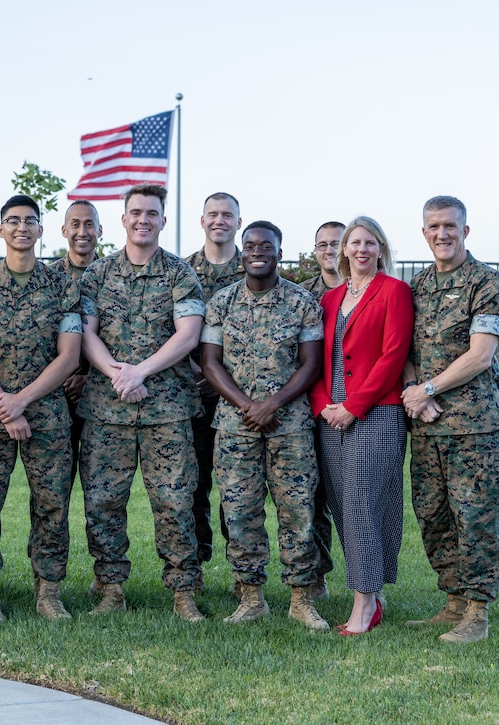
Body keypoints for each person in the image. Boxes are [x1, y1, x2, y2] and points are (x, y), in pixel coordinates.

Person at [78, 183, 206, 622]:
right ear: (124, 219)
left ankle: (183, 591)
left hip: (165, 408)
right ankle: (111, 588)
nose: (143, 220)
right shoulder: (99, 273)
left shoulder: (179, 273)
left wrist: (141, 371)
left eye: (152, 213)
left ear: (163, 221)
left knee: (174, 500)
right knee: (103, 501)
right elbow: (86, 332)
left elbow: (187, 334)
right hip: (106, 408)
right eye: (136, 212)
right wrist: (118, 373)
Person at [200, 221, 330, 631]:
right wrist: (247, 406)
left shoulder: (302, 302)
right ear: (242, 252)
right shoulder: (221, 302)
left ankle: (301, 599)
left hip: (289, 426)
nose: (258, 251)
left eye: (266, 246)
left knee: (298, 512)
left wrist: (272, 404)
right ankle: (251, 596)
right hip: (236, 428)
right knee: (240, 513)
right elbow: (209, 362)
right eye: (250, 245)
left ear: (279, 251)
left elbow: (311, 363)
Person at [0, 195, 82, 622]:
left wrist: (22, 401)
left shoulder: (62, 287)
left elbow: (68, 357)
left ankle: (48, 591)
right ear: (0, 230)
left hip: (46, 414)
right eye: (13, 221)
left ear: (42, 230)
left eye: (30, 221)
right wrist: (4, 406)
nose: (22, 228)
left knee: (52, 502)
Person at [401, 195, 499, 644]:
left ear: (465, 231)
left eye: (450, 226)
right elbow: (403, 351)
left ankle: (477, 613)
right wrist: (416, 395)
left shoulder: (487, 283)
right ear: (424, 233)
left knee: (475, 518)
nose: (442, 234)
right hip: (427, 424)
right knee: (433, 515)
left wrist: (428, 389)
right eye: (433, 227)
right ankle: (452, 603)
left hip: (474, 426)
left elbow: (480, 355)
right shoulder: (417, 286)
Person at [310, 216, 414, 635]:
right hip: (330, 416)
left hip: (376, 413)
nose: (361, 250)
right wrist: (323, 407)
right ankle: (372, 592)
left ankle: (364, 605)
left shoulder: (395, 292)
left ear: (381, 249)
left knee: (362, 503)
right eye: (355, 242)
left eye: (370, 243)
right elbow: (315, 359)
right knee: (343, 505)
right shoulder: (330, 298)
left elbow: (393, 356)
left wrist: (353, 407)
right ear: (343, 250)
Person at [184, 192, 243, 577]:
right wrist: (200, 373)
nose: (219, 220)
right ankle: (196, 564)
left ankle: (243, 572)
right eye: (213, 214)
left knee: (238, 491)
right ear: (202, 221)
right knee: (192, 485)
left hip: (239, 400)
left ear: (238, 222)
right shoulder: (182, 271)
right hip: (191, 396)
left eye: (228, 215)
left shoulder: (255, 267)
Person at [300, 220, 346, 600]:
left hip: (362, 408)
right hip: (315, 408)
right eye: (322, 244)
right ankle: (317, 575)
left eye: (337, 243)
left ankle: (370, 581)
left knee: (353, 497)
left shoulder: (369, 289)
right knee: (313, 497)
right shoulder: (305, 296)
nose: (329, 250)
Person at [49, 199, 102, 484]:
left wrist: (88, 377)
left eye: (89, 224)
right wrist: (67, 376)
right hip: (55, 397)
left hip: (102, 396)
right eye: (75, 224)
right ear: (63, 230)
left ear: (100, 230)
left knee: (101, 491)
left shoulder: (113, 275)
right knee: (55, 489)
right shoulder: (48, 278)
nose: (82, 231)